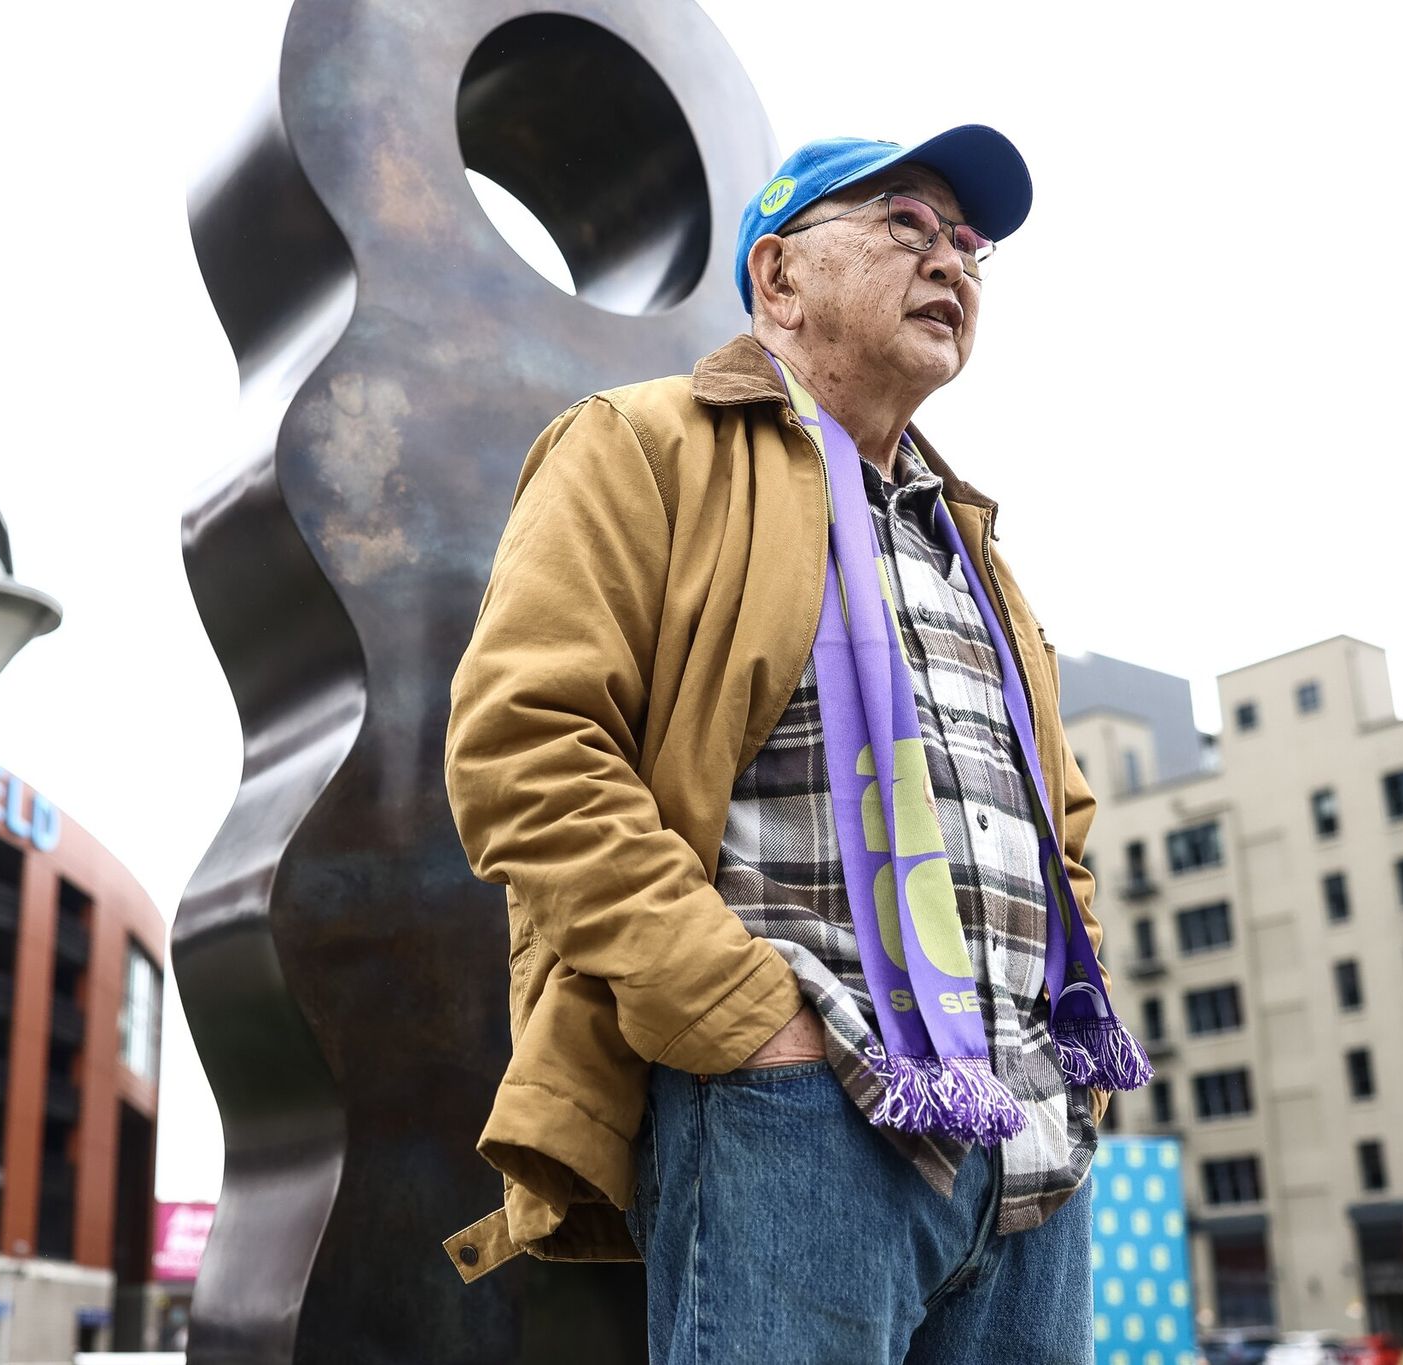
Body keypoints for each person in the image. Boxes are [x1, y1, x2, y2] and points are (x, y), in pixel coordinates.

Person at [442, 126, 1149, 1363]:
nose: (953, 264)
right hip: (798, 1113)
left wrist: (1068, 1068)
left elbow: (1059, 834)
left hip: (1031, 1155)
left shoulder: (972, 547)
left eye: (970, 246)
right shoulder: (641, 445)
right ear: (779, 280)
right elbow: (526, 749)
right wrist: (742, 1018)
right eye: (905, 228)